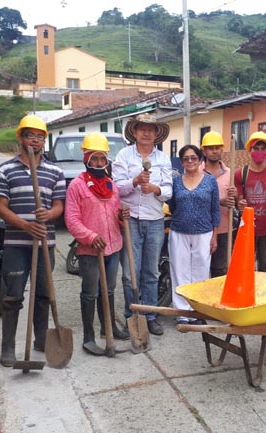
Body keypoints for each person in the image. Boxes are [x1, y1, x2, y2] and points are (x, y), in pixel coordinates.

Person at [0, 114, 66, 367]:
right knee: (12, 297)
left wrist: (49, 214)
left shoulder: (55, 171)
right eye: (30, 135)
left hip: (46, 243)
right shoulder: (5, 170)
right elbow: (1, 207)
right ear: (20, 138)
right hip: (16, 245)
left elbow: (59, 206)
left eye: (40, 136)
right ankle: (9, 348)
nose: (35, 140)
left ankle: (41, 340)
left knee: (43, 295)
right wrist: (26, 225)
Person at [65, 132, 129, 356]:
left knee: (109, 290)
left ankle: (108, 328)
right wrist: (91, 237)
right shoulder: (77, 186)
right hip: (90, 251)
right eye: (95, 159)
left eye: (103, 159)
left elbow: (114, 214)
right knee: (90, 292)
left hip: (113, 247)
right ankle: (89, 336)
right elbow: (71, 220)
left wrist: (122, 216)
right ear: (87, 160)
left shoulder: (110, 184)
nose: (99, 163)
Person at [113, 113, 173, 336]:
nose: (147, 133)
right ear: (135, 132)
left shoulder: (163, 159)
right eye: (142, 129)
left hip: (155, 220)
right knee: (130, 273)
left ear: (157, 134)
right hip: (130, 220)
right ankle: (132, 316)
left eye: (151, 129)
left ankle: (150, 315)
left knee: (151, 272)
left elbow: (168, 191)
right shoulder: (123, 155)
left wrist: (156, 190)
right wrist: (134, 182)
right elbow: (116, 188)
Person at [169, 144, 220, 323]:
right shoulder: (175, 181)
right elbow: (173, 206)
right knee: (179, 271)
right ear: (181, 162)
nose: (190, 161)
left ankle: (197, 310)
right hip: (179, 232)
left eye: (193, 158)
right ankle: (183, 312)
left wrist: (215, 235)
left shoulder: (210, 181)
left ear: (200, 160)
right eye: (186, 158)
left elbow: (215, 210)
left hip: (203, 232)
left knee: (200, 272)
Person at [234, 131, 266, 272]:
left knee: (265, 263)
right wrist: (240, 203)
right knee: (245, 264)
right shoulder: (241, 173)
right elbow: (239, 201)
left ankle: (265, 293)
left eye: (263, 149)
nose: (260, 152)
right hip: (247, 227)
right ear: (250, 150)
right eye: (256, 148)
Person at [199, 131, 236, 278]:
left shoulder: (230, 173)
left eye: (218, 147)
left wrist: (236, 197)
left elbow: (238, 202)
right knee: (200, 269)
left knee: (220, 271)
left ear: (222, 149)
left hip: (224, 229)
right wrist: (219, 202)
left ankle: (218, 301)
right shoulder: (196, 172)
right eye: (210, 147)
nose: (215, 151)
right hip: (201, 230)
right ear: (204, 150)